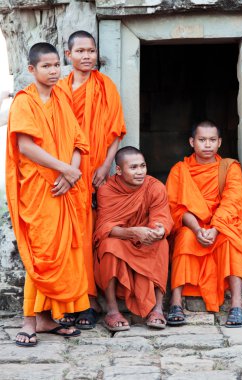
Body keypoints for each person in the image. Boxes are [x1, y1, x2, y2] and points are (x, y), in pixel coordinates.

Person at [6, 42, 90, 346]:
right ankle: (28, 321)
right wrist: (64, 170)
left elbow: (79, 143)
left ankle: (44, 319)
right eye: (47, 66)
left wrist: (71, 173)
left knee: (63, 252)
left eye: (57, 65)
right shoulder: (24, 102)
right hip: (38, 190)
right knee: (40, 255)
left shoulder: (61, 101)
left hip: (62, 187)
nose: (54, 71)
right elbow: (26, 146)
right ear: (32, 70)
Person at [57, 30, 126, 328]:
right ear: (68, 54)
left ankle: (90, 298)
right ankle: (71, 298)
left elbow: (116, 130)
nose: (87, 56)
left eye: (91, 50)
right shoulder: (59, 89)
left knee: (92, 236)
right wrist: (62, 170)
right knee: (70, 238)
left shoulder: (105, 85)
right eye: (81, 51)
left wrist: (106, 165)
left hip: (96, 171)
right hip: (65, 173)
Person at [166, 120, 242, 328]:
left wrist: (214, 229)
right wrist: (197, 230)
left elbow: (232, 202)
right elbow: (176, 208)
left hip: (221, 225)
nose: (207, 145)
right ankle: (176, 302)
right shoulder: (180, 170)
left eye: (212, 140)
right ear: (191, 142)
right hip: (193, 226)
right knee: (184, 237)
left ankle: (236, 305)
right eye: (202, 140)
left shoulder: (229, 168)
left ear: (220, 143)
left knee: (231, 240)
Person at [93, 146, 174, 331]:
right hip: (122, 240)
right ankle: (112, 311)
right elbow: (104, 228)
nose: (140, 172)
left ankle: (157, 308)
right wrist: (133, 232)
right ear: (119, 170)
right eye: (134, 168)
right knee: (107, 246)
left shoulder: (155, 187)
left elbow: (161, 217)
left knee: (162, 243)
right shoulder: (106, 190)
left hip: (145, 240)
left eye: (143, 166)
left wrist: (159, 230)